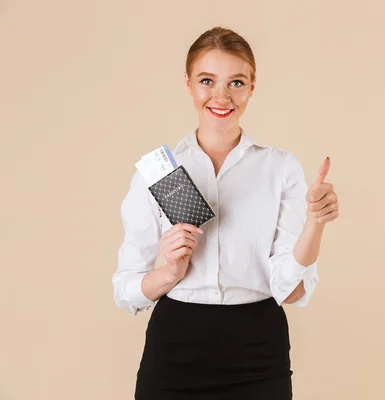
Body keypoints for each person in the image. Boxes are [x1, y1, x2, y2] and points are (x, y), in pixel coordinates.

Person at [112, 26, 340, 399]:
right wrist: (169, 272)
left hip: (257, 349)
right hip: (175, 348)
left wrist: (315, 226)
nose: (221, 96)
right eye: (207, 80)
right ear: (188, 84)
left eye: (236, 82)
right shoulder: (156, 173)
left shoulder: (281, 168)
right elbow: (125, 289)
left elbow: (292, 288)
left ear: (252, 87)